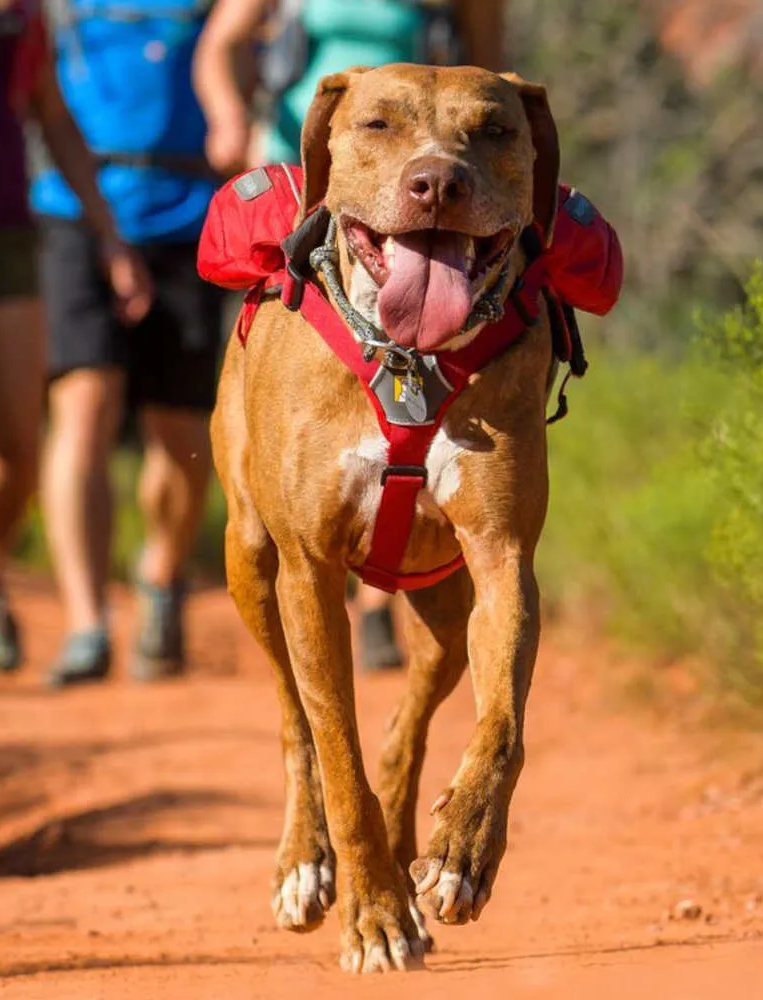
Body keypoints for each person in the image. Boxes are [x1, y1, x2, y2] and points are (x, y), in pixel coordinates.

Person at [193, 0, 504, 670]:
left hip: (429, 188)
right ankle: (317, 565)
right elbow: (221, 45)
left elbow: (490, 74)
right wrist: (229, 121)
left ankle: (375, 607)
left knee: (412, 396)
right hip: (310, 188)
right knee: (318, 415)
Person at [0, 0, 151, 671]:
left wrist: (107, 232)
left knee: (18, 443)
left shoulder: (27, 15)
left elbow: (54, 118)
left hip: (3, 234)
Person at [32, 0, 251, 686]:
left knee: (181, 433)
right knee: (84, 407)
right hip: (73, 211)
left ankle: (160, 575)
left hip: (188, 219)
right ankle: (86, 621)